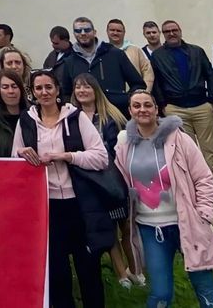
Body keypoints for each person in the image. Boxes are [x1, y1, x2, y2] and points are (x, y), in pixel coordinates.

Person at [116, 90, 213, 307]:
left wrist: (205, 213)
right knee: (160, 293)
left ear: (157, 110)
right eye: (136, 106)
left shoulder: (180, 140)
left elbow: (204, 178)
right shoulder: (124, 145)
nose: (142, 110)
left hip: (186, 223)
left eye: (148, 105)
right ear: (129, 111)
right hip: (150, 228)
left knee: (206, 291)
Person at [13, 70, 110, 308]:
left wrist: (67, 156)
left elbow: (100, 157)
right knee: (57, 271)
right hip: (48, 204)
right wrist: (22, 155)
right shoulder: (26, 120)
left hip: (80, 202)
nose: (44, 93)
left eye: (49, 87)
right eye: (39, 88)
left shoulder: (76, 117)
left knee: (88, 267)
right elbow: (15, 162)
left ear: (57, 90)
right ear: (32, 93)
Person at [73, 73, 139, 290]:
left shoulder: (112, 116)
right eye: (78, 87)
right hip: (90, 180)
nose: (82, 91)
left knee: (126, 226)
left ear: (96, 90)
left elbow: (122, 146)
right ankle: (121, 274)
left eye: (87, 87)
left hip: (115, 176)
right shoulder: (71, 118)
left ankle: (136, 270)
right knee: (108, 227)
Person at [148, 20, 213, 192]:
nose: (171, 33)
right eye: (167, 31)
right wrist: (163, 106)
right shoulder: (158, 56)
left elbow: (210, 74)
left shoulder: (196, 51)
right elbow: (157, 83)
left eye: (174, 30)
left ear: (180, 31)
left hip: (201, 106)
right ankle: (196, 185)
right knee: (187, 149)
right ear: (163, 34)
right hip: (175, 108)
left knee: (209, 148)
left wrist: (211, 100)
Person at [58, 17, 145, 115]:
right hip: (86, 118)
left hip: (118, 114)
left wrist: (126, 100)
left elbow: (138, 84)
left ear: (94, 32)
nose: (83, 33)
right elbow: (66, 93)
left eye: (87, 30)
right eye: (78, 31)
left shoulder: (115, 54)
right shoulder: (69, 61)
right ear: (74, 34)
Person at [105, 19, 154, 88]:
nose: (115, 33)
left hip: (135, 95)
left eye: (119, 31)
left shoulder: (136, 50)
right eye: (112, 30)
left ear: (124, 32)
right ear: (107, 31)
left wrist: (145, 91)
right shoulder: (102, 52)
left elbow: (148, 72)